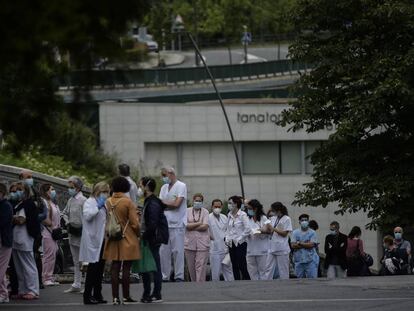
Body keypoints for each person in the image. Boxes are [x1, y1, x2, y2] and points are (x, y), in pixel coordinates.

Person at [103, 177, 140, 305]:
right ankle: (126, 296)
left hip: (113, 237)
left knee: (115, 266)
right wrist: (138, 234)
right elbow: (135, 223)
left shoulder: (108, 201)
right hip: (127, 237)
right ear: (125, 187)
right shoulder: (128, 202)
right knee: (126, 268)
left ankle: (114, 297)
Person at [79, 182, 110, 304]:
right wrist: (98, 206)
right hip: (92, 240)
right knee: (93, 269)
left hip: (101, 239)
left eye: (107, 192)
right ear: (99, 191)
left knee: (100, 269)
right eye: (105, 191)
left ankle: (98, 294)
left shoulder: (104, 204)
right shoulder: (89, 202)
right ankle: (87, 296)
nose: (107, 194)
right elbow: (88, 216)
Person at [139, 177, 166, 303]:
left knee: (153, 266)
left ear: (146, 187)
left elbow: (153, 222)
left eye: (140, 185)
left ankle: (155, 293)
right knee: (152, 265)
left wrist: (144, 236)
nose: (139, 188)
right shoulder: (150, 201)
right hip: (152, 237)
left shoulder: (153, 203)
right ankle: (150, 293)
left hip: (152, 238)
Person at [12, 182, 40, 300]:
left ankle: (33, 290)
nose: (17, 192)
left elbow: (21, 220)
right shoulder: (20, 204)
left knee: (28, 265)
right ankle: (22, 289)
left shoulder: (28, 204)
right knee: (19, 266)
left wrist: (12, 218)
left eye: (19, 189)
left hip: (25, 237)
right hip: (17, 238)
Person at [19, 170, 47, 289]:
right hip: (21, 229)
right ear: (21, 178)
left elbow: (43, 212)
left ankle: (37, 282)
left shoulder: (35, 193)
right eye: (28, 177)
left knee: (35, 255)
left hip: (35, 229)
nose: (31, 179)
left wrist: (33, 218)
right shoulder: (18, 191)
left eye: (31, 177)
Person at [159, 167, 187, 282]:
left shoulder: (181, 186)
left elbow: (177, 204)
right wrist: (169, 203)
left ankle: (179, 276)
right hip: (165, 223)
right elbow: (159, 204)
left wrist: (165, 204)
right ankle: (164, 276)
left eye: (164, 175)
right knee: (163, 251)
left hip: (178, 224)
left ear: (171, 174)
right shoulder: (163, 187)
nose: (164, 178)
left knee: (178, 251)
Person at [62, 176, 87, 293]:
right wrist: (67, 221)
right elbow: (64, 213)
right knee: (75, 260)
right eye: (69, 187)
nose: (69, 189)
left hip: (82, 233)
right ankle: (76, 283)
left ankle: (86, 284)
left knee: (84, 260)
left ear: (77, 188)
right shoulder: (70, 200)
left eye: (71, 187)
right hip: (72, 232)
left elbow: (87, 217)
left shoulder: (83, 200)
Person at [184, 193, 210, 282]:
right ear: (193, 201)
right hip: (189, 243)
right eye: (196, 201)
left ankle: (200, 285)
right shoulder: (186, 211)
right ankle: (194, 285)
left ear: (202, 202)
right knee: (191, 267)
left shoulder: (205, 212)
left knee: (200, 266)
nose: (197, 202)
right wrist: (199, 223)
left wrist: (192, 226)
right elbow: (186, 226)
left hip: (203, 243)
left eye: (200, 201)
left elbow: (205, 227)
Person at [225, 196, 251, 280]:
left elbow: (248, 229)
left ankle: (246, 280)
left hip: (240, 243)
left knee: (242, 264)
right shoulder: (229, 214)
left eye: (230, 203)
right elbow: (228, 229)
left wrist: (240, 239)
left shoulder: (242, 215)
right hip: (231, 243)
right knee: (234, 264)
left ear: (236, 204)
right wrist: (227, 238)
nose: (229, 205)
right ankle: (237, 281)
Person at [245, 199, 271, 280]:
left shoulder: (264, 218)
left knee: (263, 272)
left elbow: (269, 230)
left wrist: (260, 231)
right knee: (252, 273)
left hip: (262, 250)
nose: (248, 210)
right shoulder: (247, 218)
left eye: (249, 208)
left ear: (255, 208)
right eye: (247, 209)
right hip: (250, 250)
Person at [39, 184, 60, 286]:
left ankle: (49, 277)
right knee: (48, 255)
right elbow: (44, 217)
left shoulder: (53, 203)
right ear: (46, 191)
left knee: (53, 254)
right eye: (52, 189)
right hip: (47, 231)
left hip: (53, 232)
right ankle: (45, 278)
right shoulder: (44, 202)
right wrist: (52, 226)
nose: (53, 191)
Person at [265, 202, 292, 280]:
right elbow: (267, 219)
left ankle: (285, 285)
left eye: (273, 210)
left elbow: (284, 234)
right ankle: (266, 284)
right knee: (268, 268)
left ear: (279, 210)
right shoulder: (274, 218)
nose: (272, 212)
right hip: (272, 247)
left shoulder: (287, 219)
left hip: (282, 248)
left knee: (283, 269)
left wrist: (274, 229)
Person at [208, 199, 234, 281]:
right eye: (215, 206)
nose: (217, 208)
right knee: (215, 273)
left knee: (229, 272)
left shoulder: (224, 217)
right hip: (214, 250)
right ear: (212, 207)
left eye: (219, 206)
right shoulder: (208, 217)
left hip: (225, 249)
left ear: (222, 207)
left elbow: (228, 232)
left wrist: (229, 247)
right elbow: (206, 232)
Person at [291, 214, 319, 279]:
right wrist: (306, 244)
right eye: (302, 220)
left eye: (306, 220)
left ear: (308, 221)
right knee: (299, 281)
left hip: (310, 261)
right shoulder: (295, 233)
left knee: (312, 280)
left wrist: (299, 243)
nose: (304, 221)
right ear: (299, 222)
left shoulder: (312, 233)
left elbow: (312, 245)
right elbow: (293, 245)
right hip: (299, 261)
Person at [0, 183, 13, 303]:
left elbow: (2, 223)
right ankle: (4, 294)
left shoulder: (6, 206)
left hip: (4, 242)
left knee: (1, 269)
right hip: (4, 241)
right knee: (2, 269)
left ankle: (3, 294)